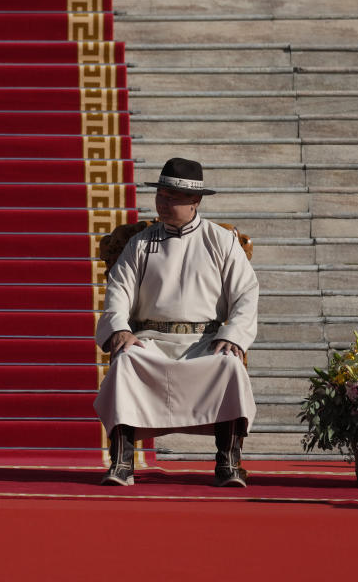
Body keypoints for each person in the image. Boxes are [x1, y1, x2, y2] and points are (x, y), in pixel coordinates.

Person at [94, 158, 259, 487]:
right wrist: (121, 329)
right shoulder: (140, 243)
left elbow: (246, 293)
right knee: (126, 363)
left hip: (204, 344)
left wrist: (233, 333)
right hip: (150, 342)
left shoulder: (221, 241)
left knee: (228, 366)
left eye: (173, 198)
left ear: (195, 201)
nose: (163, 203)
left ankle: (228, 461)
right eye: (161, 196)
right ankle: (123, 462)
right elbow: (118, 291)